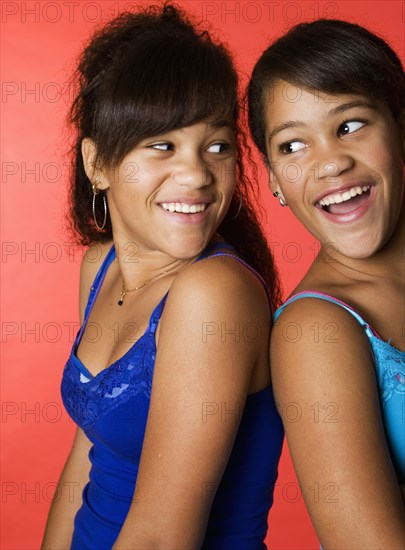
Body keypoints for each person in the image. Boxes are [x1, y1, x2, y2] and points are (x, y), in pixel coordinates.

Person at [41, 4, 284, 549]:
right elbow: (87, 457)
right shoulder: (101, 268)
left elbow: (160, 536)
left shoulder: (214, 293)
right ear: (97, 163)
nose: (197, 174)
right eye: (162, 146)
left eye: (216, 146)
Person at [248, 19, 405, 548]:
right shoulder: (314, 332)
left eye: (350, 124)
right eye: (292, 146)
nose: (331, 162)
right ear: (272, 179)